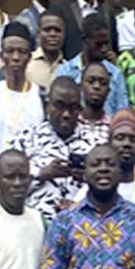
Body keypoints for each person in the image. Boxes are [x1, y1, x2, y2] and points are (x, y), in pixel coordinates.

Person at [14, 77, 101, 221]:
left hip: (83, 228)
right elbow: (6, 186)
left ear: (80, 109)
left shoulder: (95, 145)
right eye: (60, 106)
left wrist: (87, 178)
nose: (66, 114)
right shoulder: (26, 138)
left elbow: (107, 190)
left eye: (73, 107)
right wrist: (41, 174)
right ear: (48, 105)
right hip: (35, 226)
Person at [54, 13, 128, 116]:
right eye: (98, 44)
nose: (104, 49)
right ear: (84, 40)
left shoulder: (115, 74)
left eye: (106, 43)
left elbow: (122, 112)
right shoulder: (65, 72)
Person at [0, 23, 45, 149]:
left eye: (22, 52)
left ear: (29, 57)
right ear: (2, 56)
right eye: (10, 51)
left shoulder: (41, 96)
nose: (16, 57)